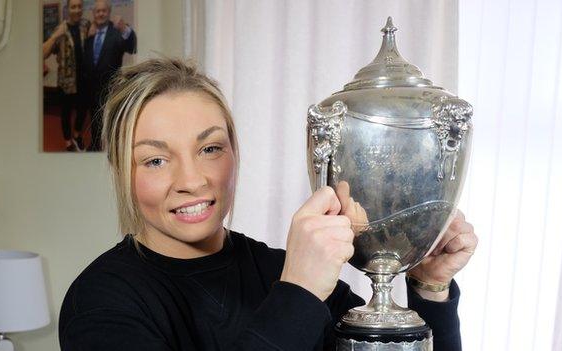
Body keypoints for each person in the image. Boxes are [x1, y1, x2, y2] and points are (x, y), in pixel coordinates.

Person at [58, 58, 478, 351]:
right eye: (155, 159)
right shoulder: (99, 302)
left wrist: (430, 288)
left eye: (210, 149)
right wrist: (298, 292)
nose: (191, 181)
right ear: (121, 171)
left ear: (235, 154)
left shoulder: (285, 271)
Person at [83, 0, 136, 151]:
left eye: (104, 11)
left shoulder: (117, 32)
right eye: (97, 11)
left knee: (111, 121)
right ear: (94, 14)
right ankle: (95, 146)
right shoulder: (90, 33)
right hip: (92, 88)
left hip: (111, 88)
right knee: (94, 120)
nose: (100, 14)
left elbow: (132, 47)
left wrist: (125, 29)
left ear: (109, 12)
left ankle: (112, 150)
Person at [42, 0, 89, 151]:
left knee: (82, 109)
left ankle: (76, 135)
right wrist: (55, 36)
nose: (76, 10)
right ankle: (68, 141)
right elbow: (43, 53)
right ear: (67, 9)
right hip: (66, 81)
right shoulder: (60, 29)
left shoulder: (86, 25)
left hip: (84, 79)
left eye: (79, 6)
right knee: (66, 112)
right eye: (73, 7)